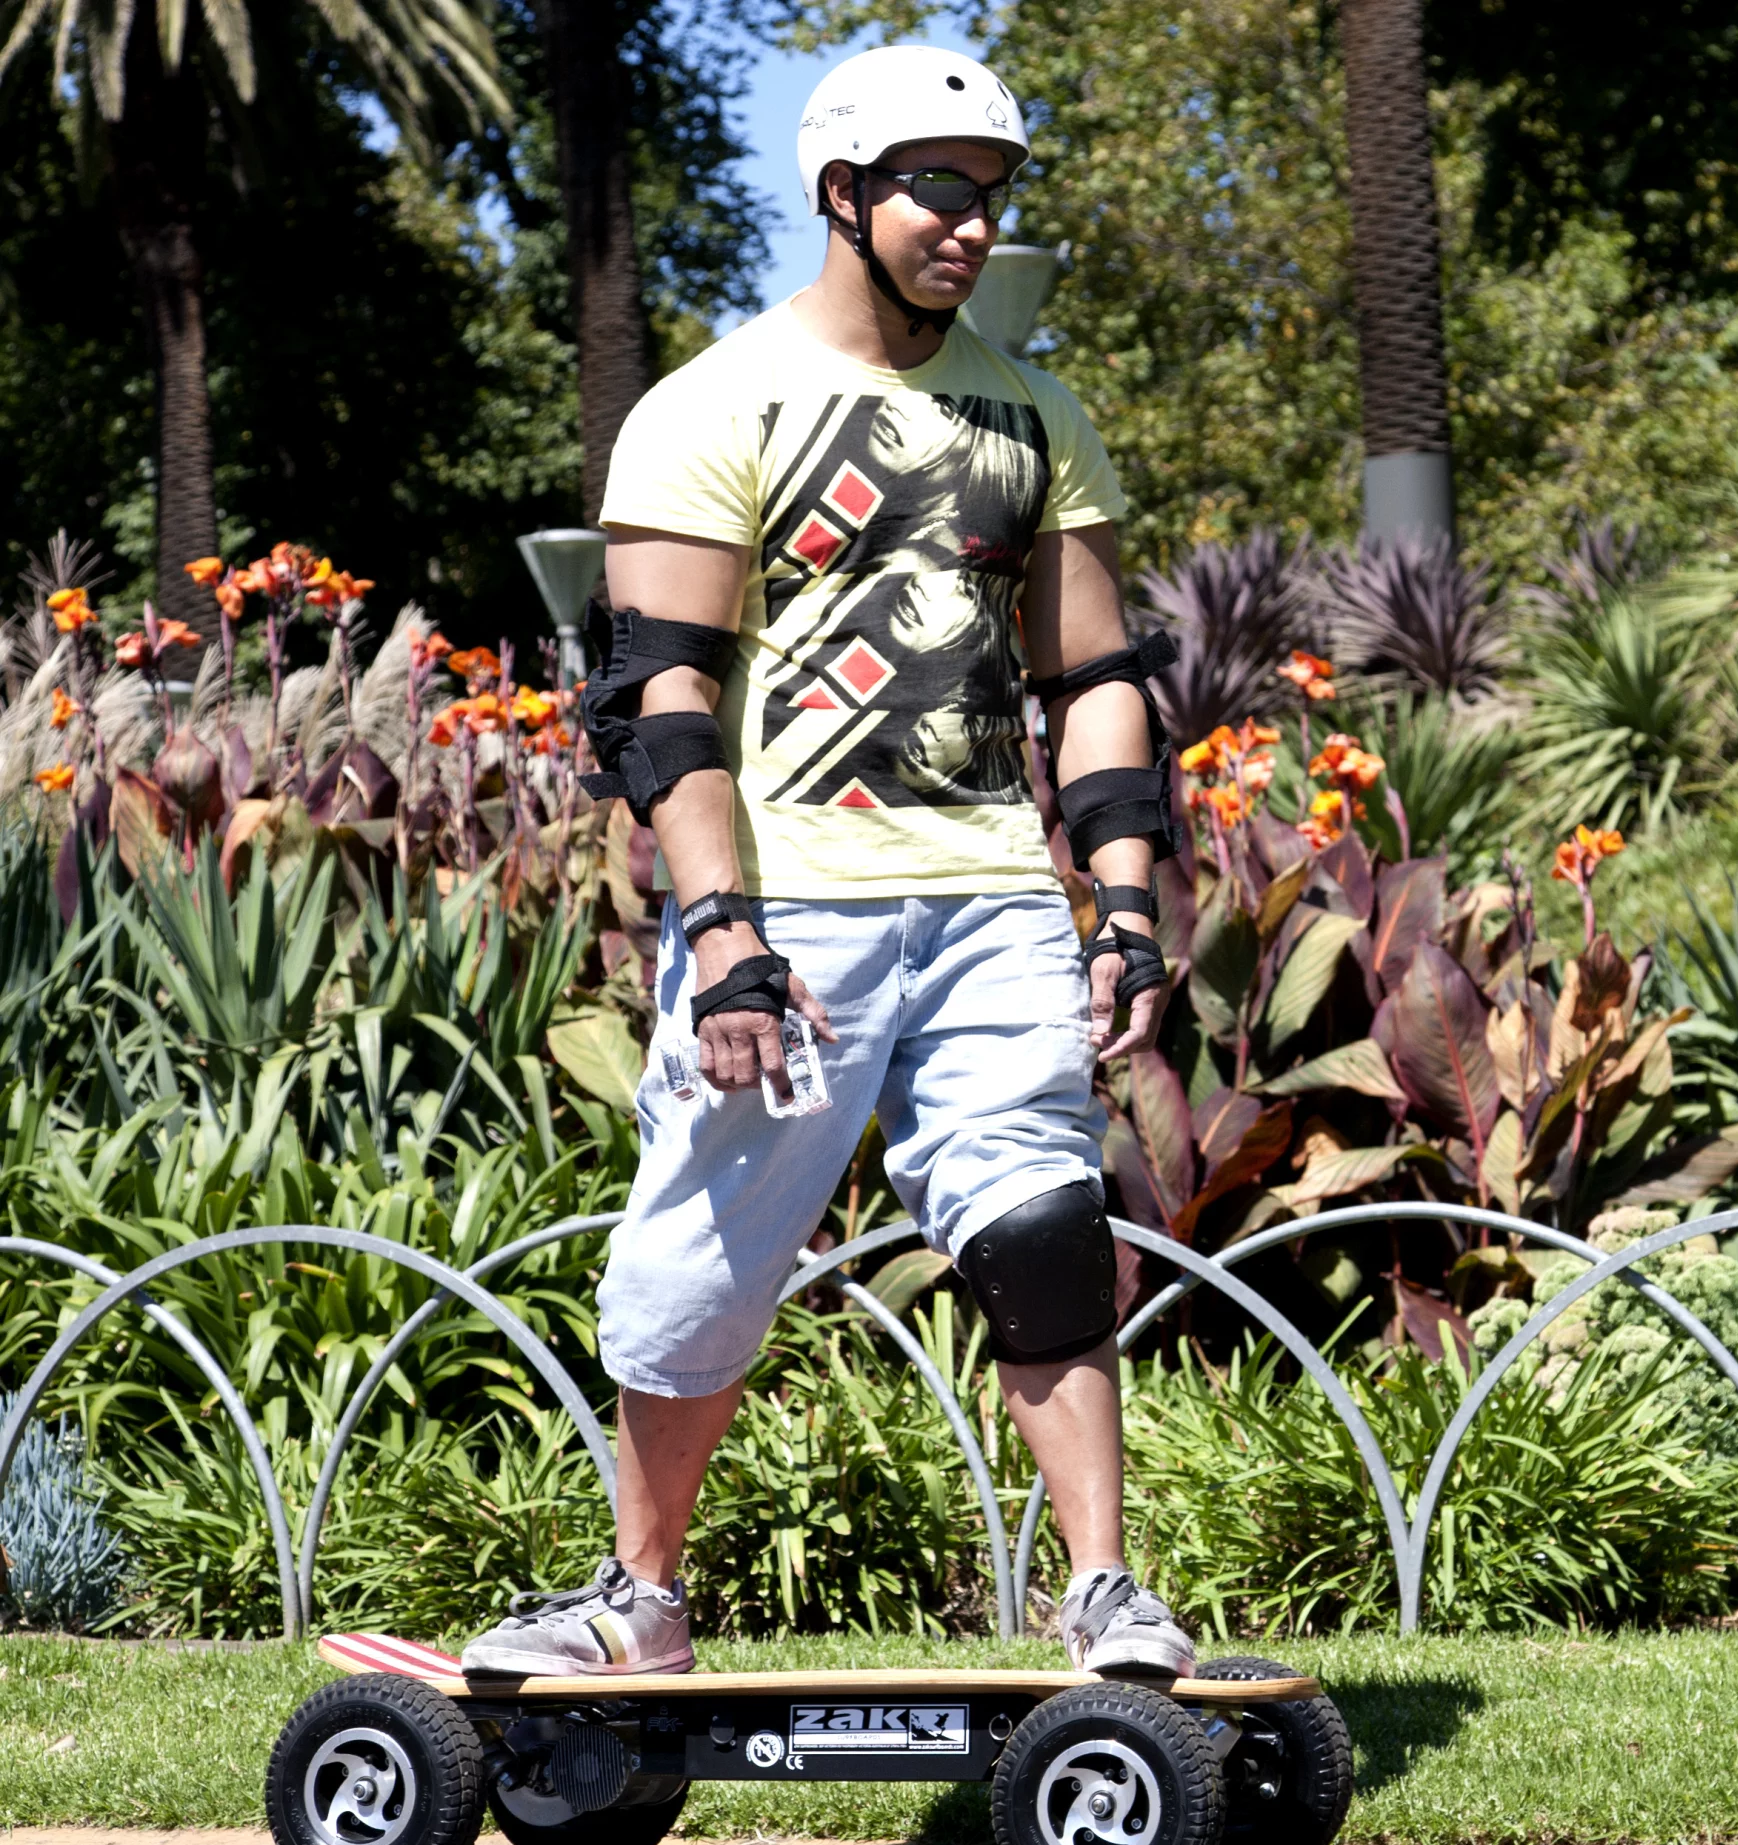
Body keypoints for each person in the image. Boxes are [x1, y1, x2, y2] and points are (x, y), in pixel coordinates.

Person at [458, 44, 1192, 1681]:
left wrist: (1125, 909)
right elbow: (660, 706)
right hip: (798, 909)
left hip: (994, 892)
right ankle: (640, 1594)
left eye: (992, 194)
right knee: (703, 1267)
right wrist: (723, 933)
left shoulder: (1036, 412)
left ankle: (1102, 1596)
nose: (970, 224)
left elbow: (1094, 684)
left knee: (1043, 1230)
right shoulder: (713, 407)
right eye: (938, 188)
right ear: (844, 195)